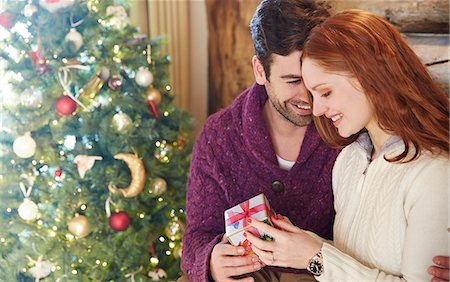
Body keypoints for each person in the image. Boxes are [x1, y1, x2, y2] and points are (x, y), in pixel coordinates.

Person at [244, 9, 449, 282]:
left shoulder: (434, 175)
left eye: (325, 92)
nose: (316, 109)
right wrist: (301, 245)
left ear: (369, 76)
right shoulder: (349, 161)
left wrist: (316, 258)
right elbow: (351, 260)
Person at [181, 1, 338, 281]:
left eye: (315, 77)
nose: (308, 96)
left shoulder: (343, 127)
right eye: (292, 81)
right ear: (260, 70)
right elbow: (196, 238)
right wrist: (211, 262)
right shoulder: (219, 136)